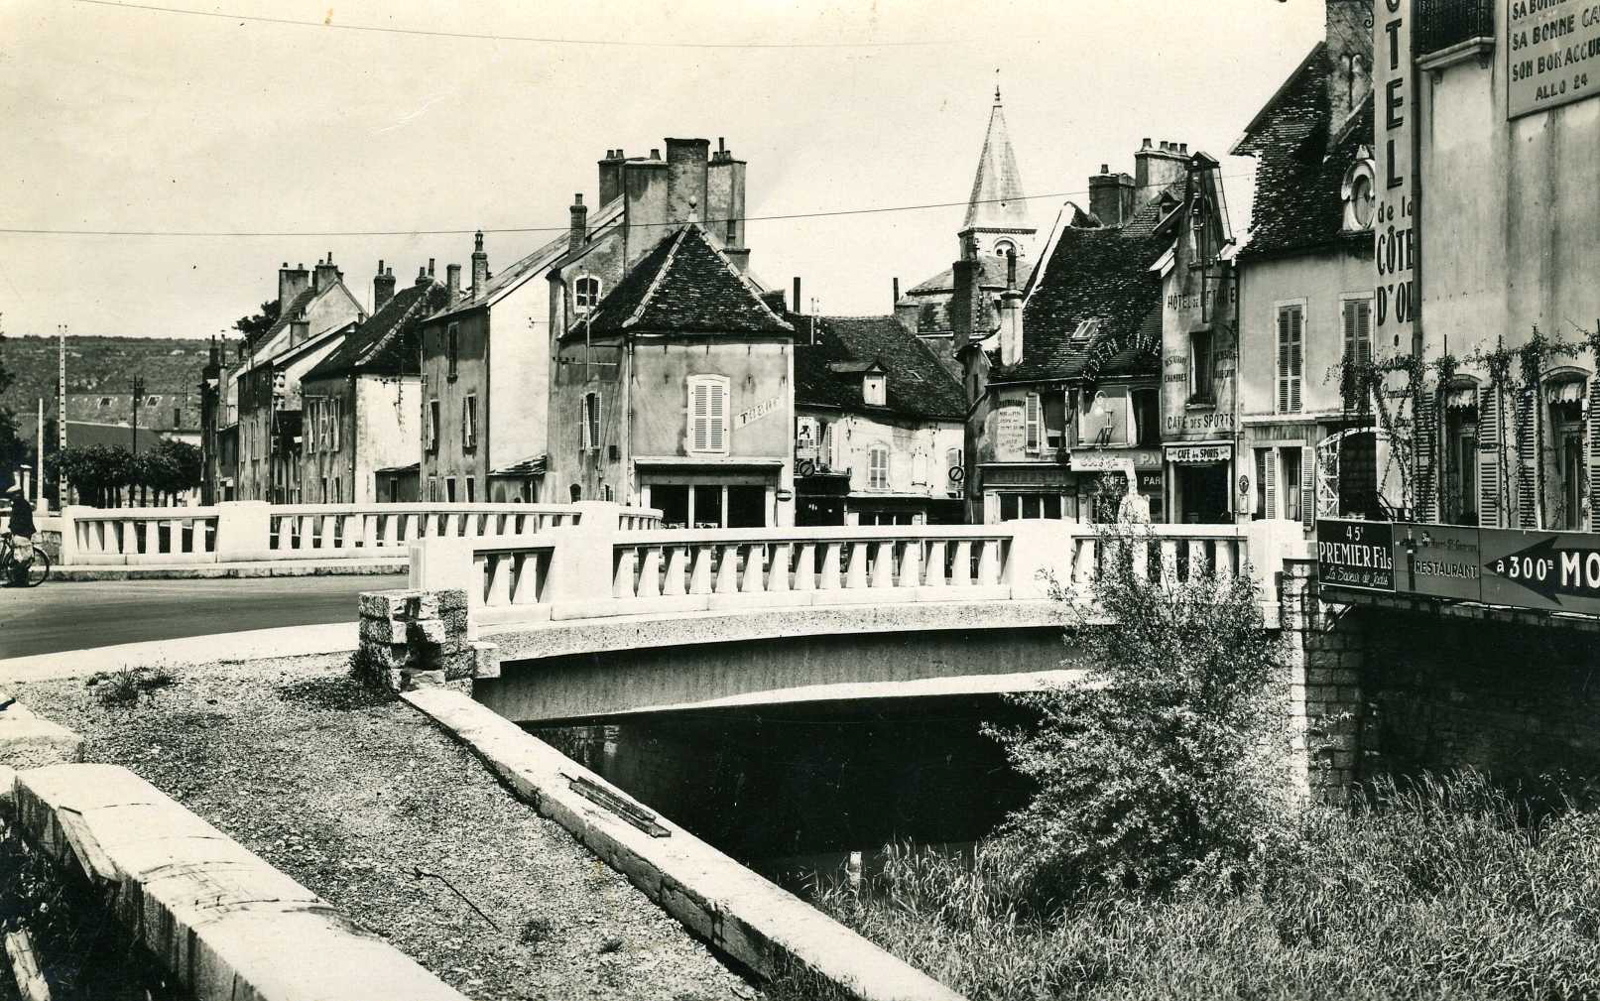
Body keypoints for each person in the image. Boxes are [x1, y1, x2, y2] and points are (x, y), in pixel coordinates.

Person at [4, 483, 35, 585]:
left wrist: (13, 529)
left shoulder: (21, 505)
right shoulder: (20, 504)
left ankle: (19, 581)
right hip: (20, 533)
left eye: (13, 495)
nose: (12, 497)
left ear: (18, 494)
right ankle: (20, 580)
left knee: (20, 558)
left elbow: (20, 521)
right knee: (18, 557)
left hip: (22, 533)